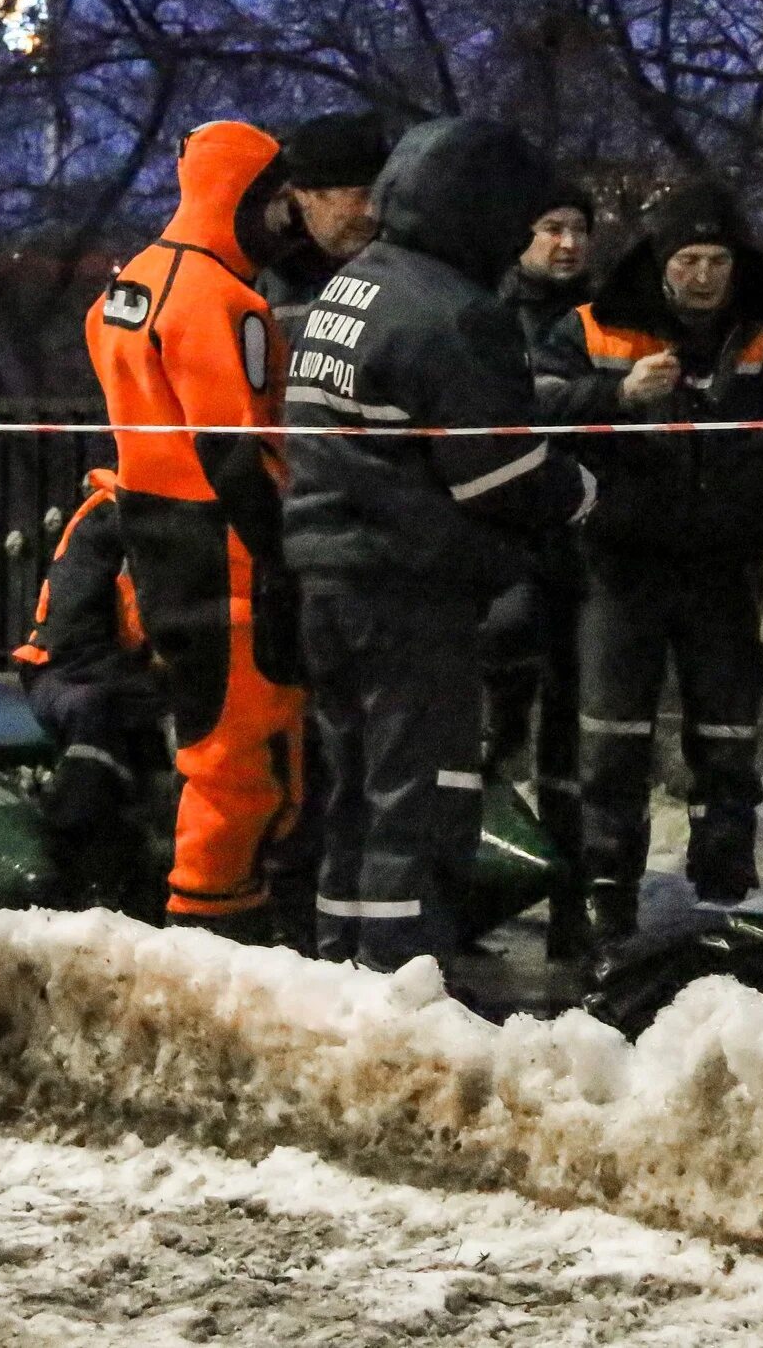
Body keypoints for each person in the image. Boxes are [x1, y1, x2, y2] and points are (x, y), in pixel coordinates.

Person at [281, 117, 596, 970]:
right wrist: (581, 488)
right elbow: (496, 475)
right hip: (411, 591)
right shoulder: (455, 315)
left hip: (328, 578)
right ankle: (402, 979)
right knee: (419, 798)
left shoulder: (346, 292)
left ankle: (339, 964)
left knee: (351, 795)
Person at [536, 181, 763, 941]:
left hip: (729, 568)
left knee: (728, 739)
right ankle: (607, 894)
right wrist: (616, 395)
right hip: (620, 564)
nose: (703, 275)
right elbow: (533, 409)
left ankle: (724, 894)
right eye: (688, 259)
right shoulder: (592, 329)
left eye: (717, 259)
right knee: (610, 737)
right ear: (660, 261)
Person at [87, 120, 309, 940]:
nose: (288, 220)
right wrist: (283, 550)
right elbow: (235, 448)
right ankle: (218, 932)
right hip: (230, 555)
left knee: (207, 741)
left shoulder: (127, 284)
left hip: (156, 542)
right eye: (280, 201)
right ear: (245, 195)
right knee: (243, 760)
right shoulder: (227, 301)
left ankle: (206, 920)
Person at [484, 184, 599, 957]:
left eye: (578, 229)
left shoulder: (602, 318)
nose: (566, 243)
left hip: (584, 552)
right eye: (550, 227)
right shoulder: (488, 313)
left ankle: (569, 900)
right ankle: (477, 878)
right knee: (486, 731)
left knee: (573, 737)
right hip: (503, 548)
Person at [12, 467, 168, 915]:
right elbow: (73, 644)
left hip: (133, 678)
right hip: (66, 673)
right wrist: (156, 692)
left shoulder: (184, 522)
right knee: (95, 713)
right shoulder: (105, 522)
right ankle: (71, 873)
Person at [262, 110, 397, 344]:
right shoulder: (259, 281)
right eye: (360, 196)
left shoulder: (402, 262)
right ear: (304, 195)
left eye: (379, 194)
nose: (372, 212)